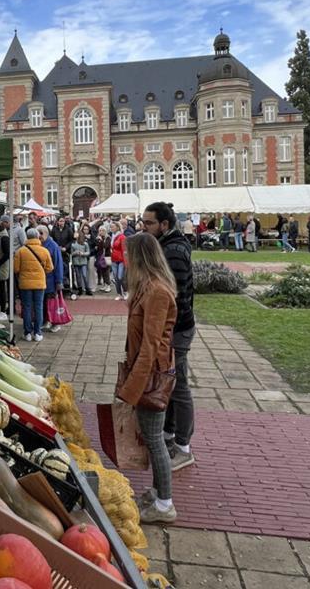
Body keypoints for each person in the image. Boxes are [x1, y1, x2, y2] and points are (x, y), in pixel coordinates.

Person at [118, 232, 178, 524]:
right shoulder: (146, 287)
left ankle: (165, 505)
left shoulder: (157, 292)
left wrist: (131, 388)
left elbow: (151, 346)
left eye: (130, 254)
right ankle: (157, 492)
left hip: (153, 375)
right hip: (146, 372)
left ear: (142, 257)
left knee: (154, 440)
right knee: (152, 438)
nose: (125, 259)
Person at [142, 202, 196, 472]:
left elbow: (172, 296)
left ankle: (184, 447)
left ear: (164, 225)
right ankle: (169, 434)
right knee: (171, 384)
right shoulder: (167, 245)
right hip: (172, 328)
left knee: (180, 386)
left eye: (149, 223)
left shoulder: (173, 250)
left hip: (176, 329)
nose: (144, 227)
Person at [13, 228, 53, 342]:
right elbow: (50, 268)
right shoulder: (44, 251)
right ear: (37, 237)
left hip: (25, 284)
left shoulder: (20, 251)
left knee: (27, 307)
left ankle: (27, 333)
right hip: (39, 283)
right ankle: (37, 333)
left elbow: (16, 269)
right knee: (38, 307)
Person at [38, 225, 64, 333]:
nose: (39, 236)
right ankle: (46, 321)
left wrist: (59, 281)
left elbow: (58, 264)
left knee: (53, 303)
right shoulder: (40, 245)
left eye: (40, 234)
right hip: (42, 279)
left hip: (51, 279)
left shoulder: (53, 246)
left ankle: (56, 322)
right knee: (44, 302)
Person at [111, 221, 127, 300]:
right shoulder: (112, 236)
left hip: (121, 259)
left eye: (113, 227)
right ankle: (119, 294)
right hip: (114, 259)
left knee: (120, 277)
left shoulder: (122, 236)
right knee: (116, 278)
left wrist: (125, 262)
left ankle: (126, 291)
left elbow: (124, 249)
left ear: (117, 227)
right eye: (111, 227)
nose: (111, 228)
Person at [94, 225, 112, 292]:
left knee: (106, 271)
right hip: (100, 256)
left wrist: (101, 241)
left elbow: (105, 246)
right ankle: (105, 285)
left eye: (102, 230)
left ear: (105, 231)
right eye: (100, 231)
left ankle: (108, 285)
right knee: (102, 271)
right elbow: (98, 247)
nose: (101, 232)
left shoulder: (108, 238)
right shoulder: (99, 238)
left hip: (107, 256)